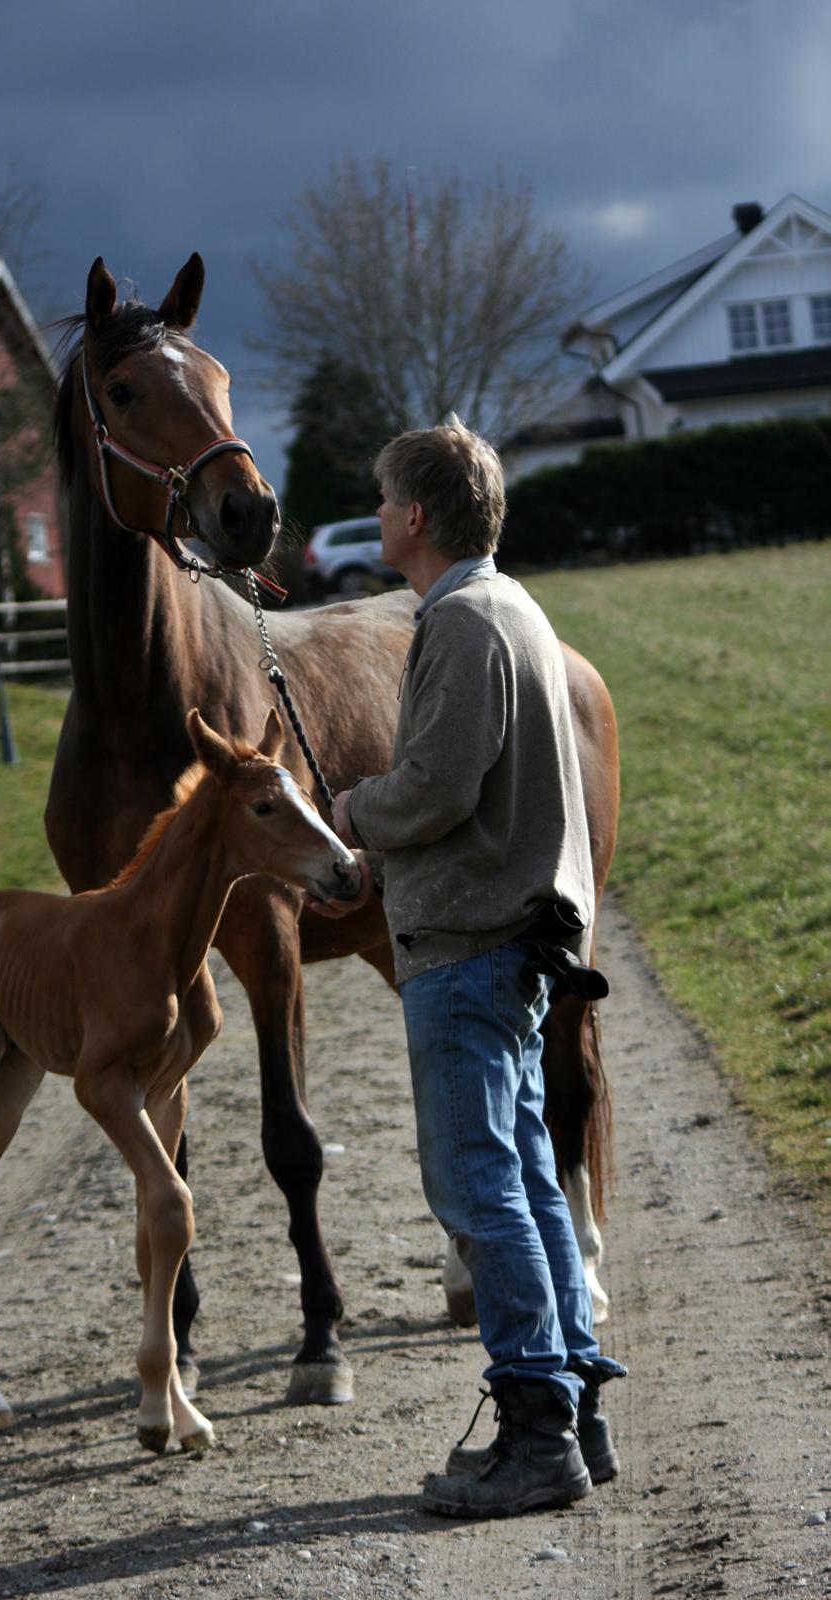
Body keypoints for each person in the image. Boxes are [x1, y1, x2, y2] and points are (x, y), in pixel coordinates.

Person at [309, 419, 626, 1520]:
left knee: (477, 1183)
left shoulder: (456, 622)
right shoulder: (517, 607)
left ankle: (532, 1430)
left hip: (466, 945)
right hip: (518, 936)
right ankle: (575, 1409)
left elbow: (436, 787)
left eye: (384, 496)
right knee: (530, 1177)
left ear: (414, 518)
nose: (378, 510)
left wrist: (351, 812)